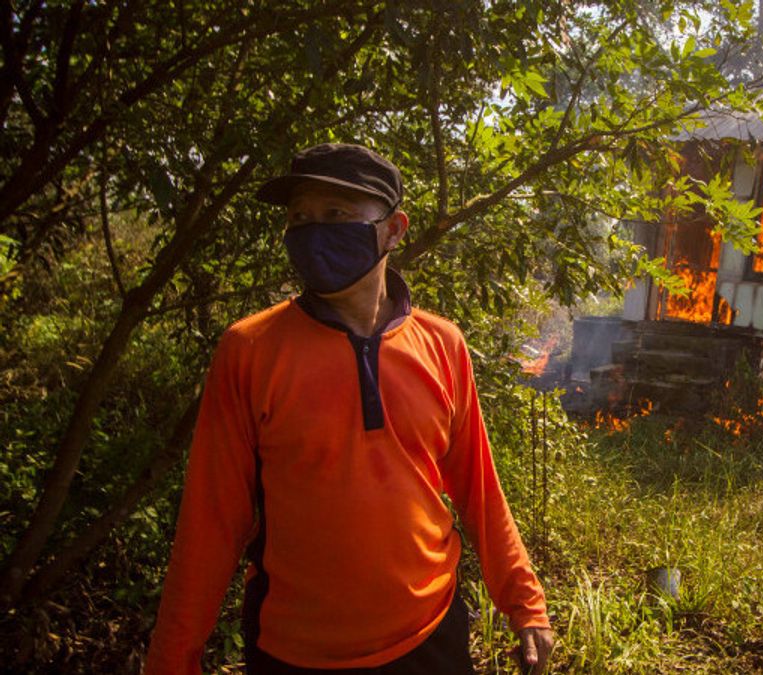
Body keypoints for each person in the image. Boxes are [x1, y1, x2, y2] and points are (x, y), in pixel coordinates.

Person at [143, 143, 554, 674]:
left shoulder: (442, 344)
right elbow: (210, 521)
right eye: (299, 217)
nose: (313, 230)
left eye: (335, 214)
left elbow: (479, 489)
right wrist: (172, 659)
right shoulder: (250, 350)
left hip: (430, 635)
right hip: (295, 652)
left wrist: (524, 603)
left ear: (393, 229)